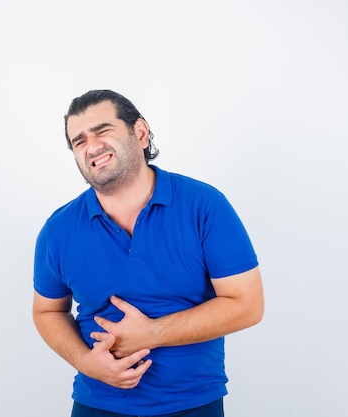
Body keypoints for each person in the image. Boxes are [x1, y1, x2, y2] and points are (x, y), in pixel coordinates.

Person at [32, 89, 264, 417]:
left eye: (102, 131)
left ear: (140, 132)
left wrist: (153, 332)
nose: (92, 146)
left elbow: (248, 305)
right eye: (79, 141)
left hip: (193, 402)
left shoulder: (204, 206)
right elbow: (47, 312)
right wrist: (85, 362)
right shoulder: (58, 230)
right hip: (97, 402)